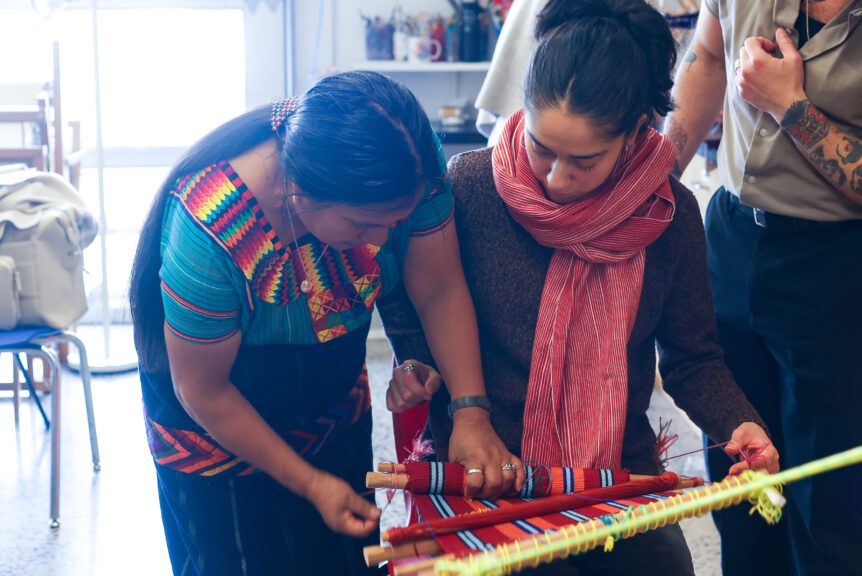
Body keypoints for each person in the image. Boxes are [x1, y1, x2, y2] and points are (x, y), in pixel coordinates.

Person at [378, 1, 779, 573]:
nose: (555, 178)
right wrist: (415, 362)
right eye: (541, 147)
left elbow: (692, 358)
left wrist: (739, 423)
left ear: (634, 133)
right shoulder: (470, 186)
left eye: (584, 162)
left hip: (611, 478)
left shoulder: (668, 214)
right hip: (487, 473)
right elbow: (410, 290)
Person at [128, 71, 522, 576]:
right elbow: (202, 391)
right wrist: (311, 484)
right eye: (362, 224)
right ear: (299, 194)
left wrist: (471, 413)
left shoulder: (407, 172)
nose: (382, 241)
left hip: (331, 409)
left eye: (395, 222)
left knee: (342, 560)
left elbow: (439, 289)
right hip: (219, 433)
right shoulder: (211, 228)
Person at [663, 1, 862, 574]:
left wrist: (790, 106)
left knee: (827, 508)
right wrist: (652, 180)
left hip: (840, 264)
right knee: (740, 486)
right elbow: (709, 56)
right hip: (731, 236)